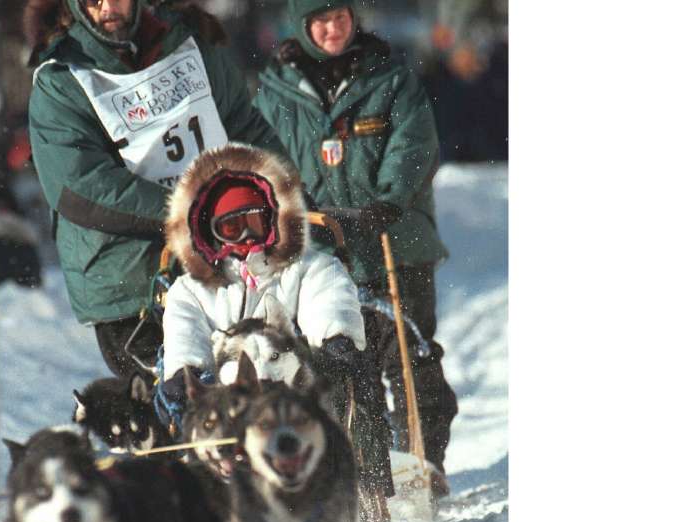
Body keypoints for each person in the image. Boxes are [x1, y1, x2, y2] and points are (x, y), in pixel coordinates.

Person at [254, 0, 458, 495]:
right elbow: (265, 158)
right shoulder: (275, 89)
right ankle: (363, 473)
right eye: (320, 21)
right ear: (302, 26)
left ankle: (422, 463)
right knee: (344, 366)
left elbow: (415, 144)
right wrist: (295, 210)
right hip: (322, 254)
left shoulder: (389, 77)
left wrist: (386, 201)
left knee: (412, 360)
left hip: (396, 239)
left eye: (340, 17)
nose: (332, 29)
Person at [23, 0, 284, 378]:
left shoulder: (190, 45)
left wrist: (287, 195)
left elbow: (245, 128)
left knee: (255, 400)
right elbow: (81, 189)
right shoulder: (62, 79)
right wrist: (194, 214)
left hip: (227, 264)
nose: (109, 6)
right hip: (132, 286)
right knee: (178, 419)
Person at [157, 142, 365, 405]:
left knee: (348, 381)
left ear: (272, 219)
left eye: (254, 222)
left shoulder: (305, 267)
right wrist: (186, 372)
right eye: (232, 227)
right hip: (229, 402)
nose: (246, 236)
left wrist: (335, 336)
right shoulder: (191, 290)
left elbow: (327, 297)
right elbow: (185, 332)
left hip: (300, 392)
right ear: (210, 233)